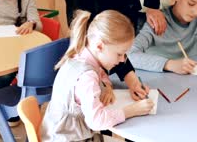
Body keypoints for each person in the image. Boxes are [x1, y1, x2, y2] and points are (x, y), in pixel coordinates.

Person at [41, 10, 154, 141]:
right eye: (119, 54)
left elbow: (100, 73)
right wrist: (131, 111)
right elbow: (96, 121)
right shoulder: (87, 77)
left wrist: (107, 86)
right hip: (68, 138)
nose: (123, 60)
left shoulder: (81, 54)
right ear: (100, 46)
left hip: (57, 132)